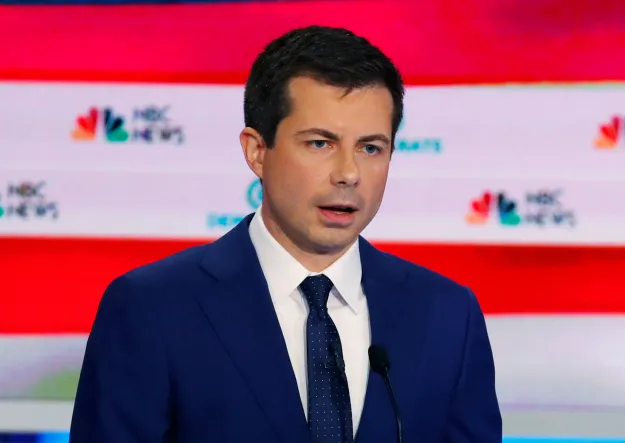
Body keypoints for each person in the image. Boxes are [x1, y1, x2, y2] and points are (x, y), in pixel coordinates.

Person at [69, 25, 501, 443]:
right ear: (257, 151)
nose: (349, 173)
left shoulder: (447, 316)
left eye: (370, 148)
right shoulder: (153, 308)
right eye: (320, 143)